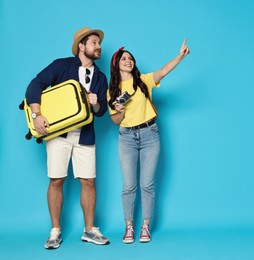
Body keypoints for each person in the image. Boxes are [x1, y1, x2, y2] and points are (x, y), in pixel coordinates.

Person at [25, 26, 110, 249]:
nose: (98, 46)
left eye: (99, 43)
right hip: (58, 133)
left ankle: (90, 230)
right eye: (94, 42)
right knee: (56, 180)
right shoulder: (61, 66)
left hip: (86, 135)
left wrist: (96, 104)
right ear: (81, 46)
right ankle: (55, 231)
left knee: (89, 181)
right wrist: (37, 115)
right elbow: (35, 84)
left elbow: (102, 111)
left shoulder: (101, 77)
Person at [107, 38, 190, 243]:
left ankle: (145, 226)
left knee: (147, 185)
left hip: (149, 135)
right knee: (129, 186)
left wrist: (180, 56)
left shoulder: (143, 81)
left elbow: (163, 71)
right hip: (126, 137)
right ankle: (129, 228)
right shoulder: (113, 91)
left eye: (130, 58)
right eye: (124, 58)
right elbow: (115, 121)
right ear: (116, 64)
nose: (128, 60)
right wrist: (120, 111)